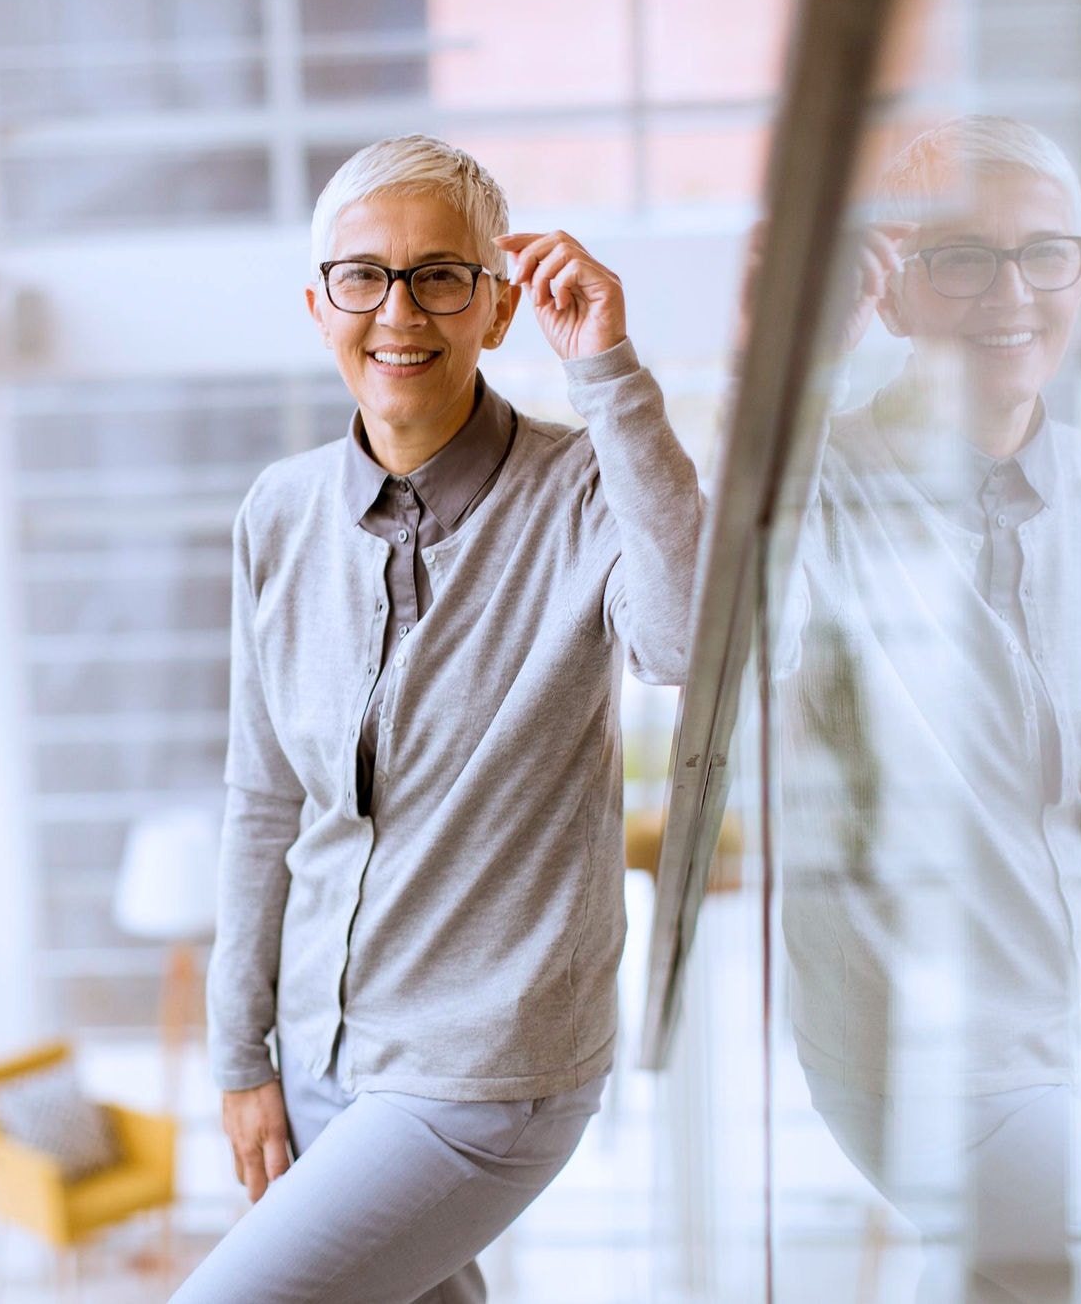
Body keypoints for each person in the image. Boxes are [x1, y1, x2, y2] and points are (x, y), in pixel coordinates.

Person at [171, 135, 705, 1304]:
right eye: (362, 275)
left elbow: (683, 641)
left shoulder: (584, 489)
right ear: (318, 306)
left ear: (497, 307)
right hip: (319, 1054)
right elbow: (261, 801)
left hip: (487, 1071)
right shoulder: (278, 512)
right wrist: (241, 1055)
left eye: (440, 276)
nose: (398, 311)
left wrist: (607, 371)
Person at [773, 115, 1081, 1303]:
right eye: (963, 258)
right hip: (924, 1050)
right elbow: (708, 625)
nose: (1011, 294)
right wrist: (804, 361)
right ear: (895, 288)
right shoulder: (818, 484)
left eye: (1043, 253)